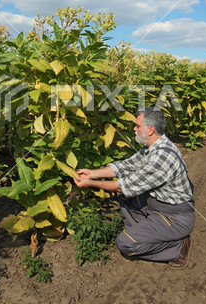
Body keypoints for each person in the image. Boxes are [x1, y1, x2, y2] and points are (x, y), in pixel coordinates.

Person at [74, 106, 195, 269]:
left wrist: (90, 183)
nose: (134, 128)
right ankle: (142, 233)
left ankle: (177, 247)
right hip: (157, 207)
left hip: (174, 218)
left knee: (125, 244)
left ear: (150, 130)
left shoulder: (163, 157)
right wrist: (92, 173)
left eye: (137, 126)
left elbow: (121, 187)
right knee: (127, 192)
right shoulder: (154, 147)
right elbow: (125, 166)